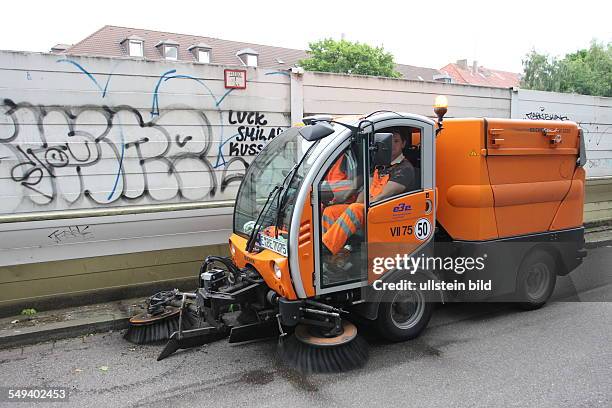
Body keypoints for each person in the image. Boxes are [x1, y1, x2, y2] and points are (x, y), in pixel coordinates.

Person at [321, 130, 416, 255]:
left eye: (396, 141)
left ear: (403, 144)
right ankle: (336, 252)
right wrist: (353, 203)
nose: (392, 145)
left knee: (356, 209)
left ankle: (326, 249)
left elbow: (383, 196)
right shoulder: (380, 166)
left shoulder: (405, 169)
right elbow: (367, 189)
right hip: (370, 208)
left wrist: (360, 207)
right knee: (330, 211)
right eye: (389, 141)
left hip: (388, 212)